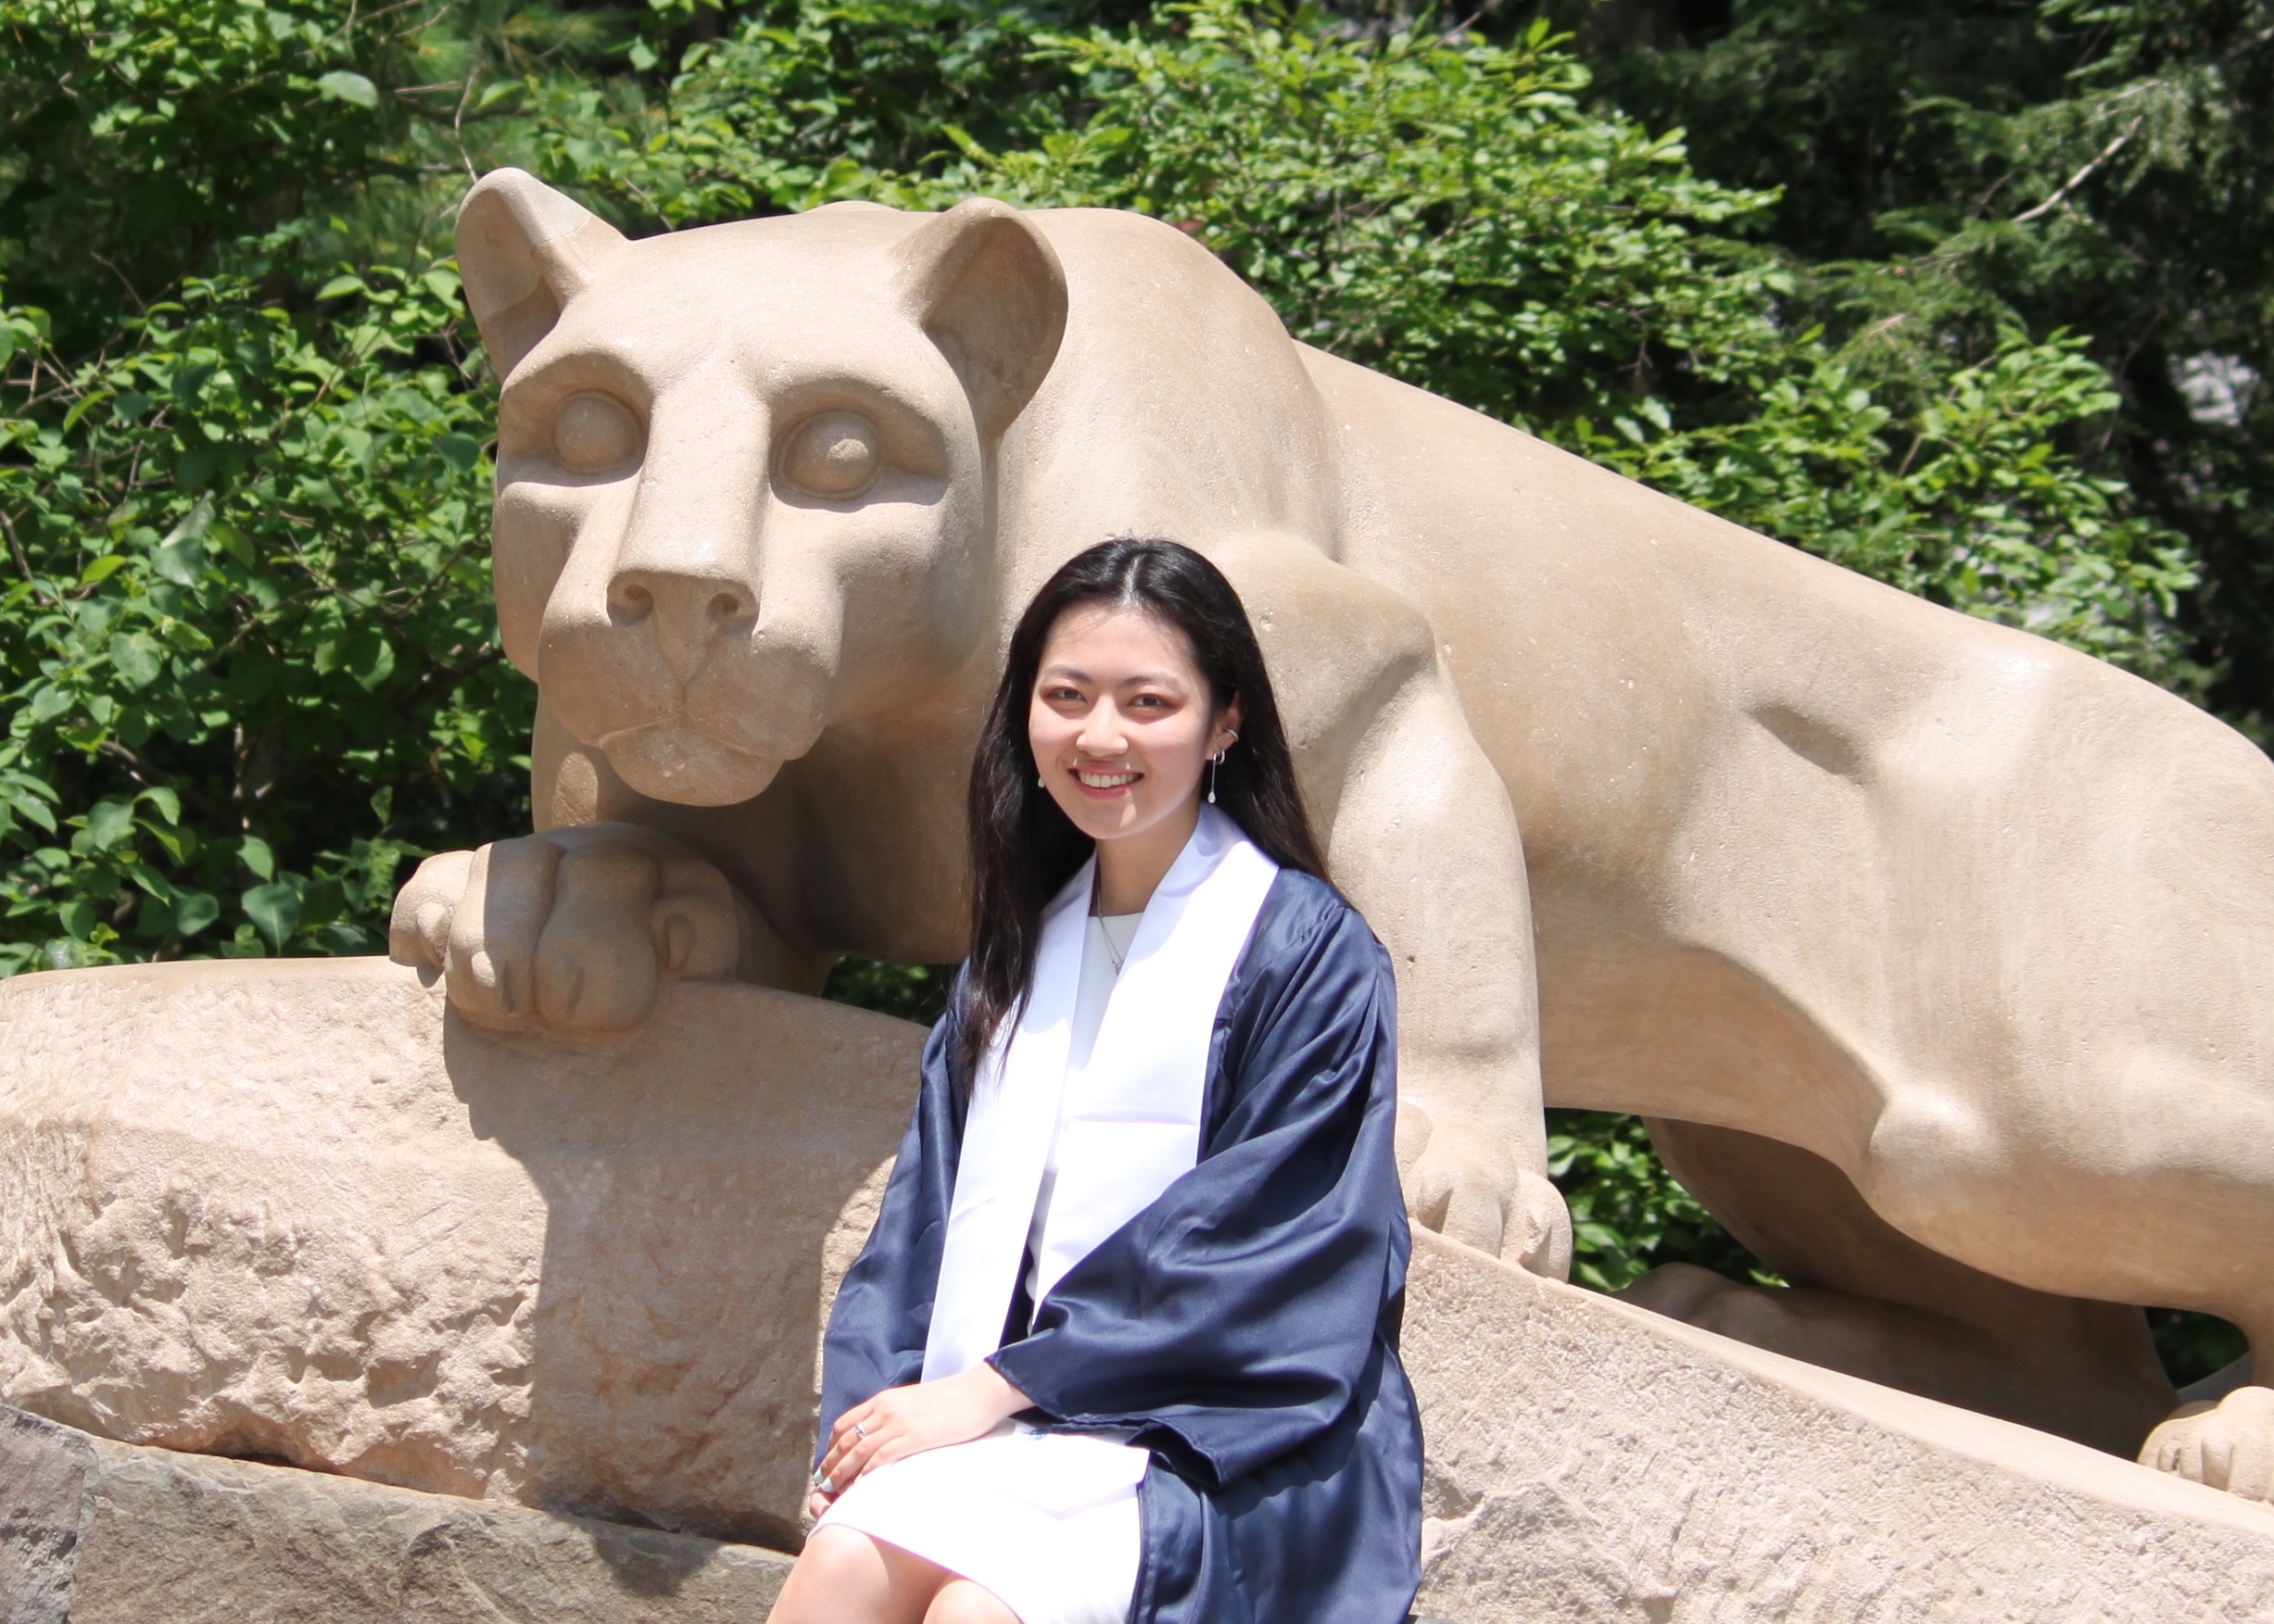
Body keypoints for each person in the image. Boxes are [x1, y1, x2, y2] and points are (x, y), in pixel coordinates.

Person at [764, 538, 1422, 1624]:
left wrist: (996, 1388)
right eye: (1065, 696)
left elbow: (1266, 1243)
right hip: (1008, 1423)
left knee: (982, 1605)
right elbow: (920, 1229)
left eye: (1148, 701)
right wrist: (882, 1413)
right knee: (844, 1563)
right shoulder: (1010, 959)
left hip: (1213, 1437)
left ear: (1225, 723)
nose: (1101, 736)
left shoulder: (1305, 950)